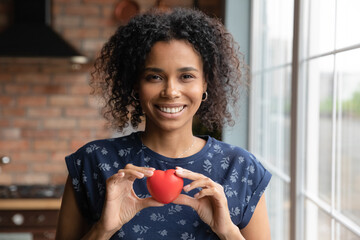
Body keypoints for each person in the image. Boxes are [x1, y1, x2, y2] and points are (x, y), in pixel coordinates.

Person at [56, 7, 272, 240]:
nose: (170, 91)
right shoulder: (93, 162)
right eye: (155, 77)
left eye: (186, 76)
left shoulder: (240, 168)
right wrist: (104, 229)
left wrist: (228, 231)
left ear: (206, 84)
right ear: (136, 85)